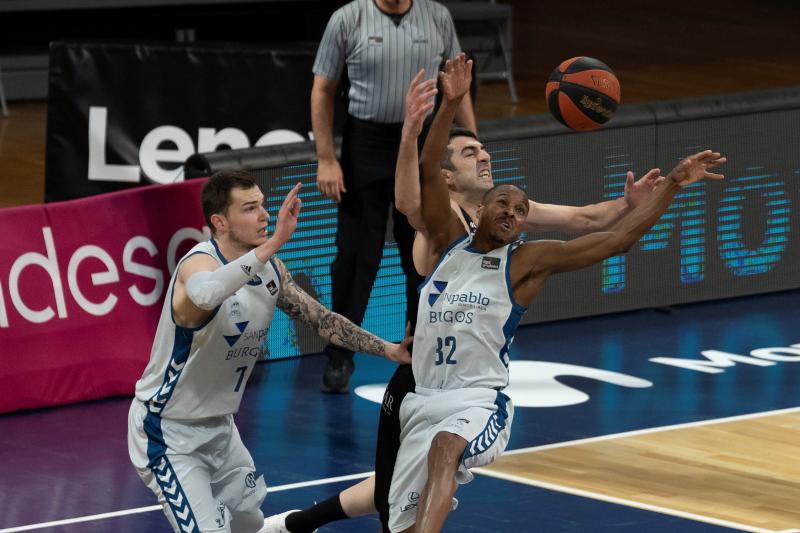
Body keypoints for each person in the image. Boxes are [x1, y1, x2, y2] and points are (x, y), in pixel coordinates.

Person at [263, 66, 667, 532]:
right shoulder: (445, 223)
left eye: (484, 148)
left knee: (416, 480)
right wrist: (416, 129)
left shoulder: (503, 213)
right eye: (471, 152)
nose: (485, 156)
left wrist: (632, 204)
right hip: (417, 379)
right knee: (392, 495)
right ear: (450, 178)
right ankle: (295, 524)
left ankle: (295, 525)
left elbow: (582, 221)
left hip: (464, 388)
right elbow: (408, 194)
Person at [386, 54, 725, 533]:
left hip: (477, 401)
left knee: (446, 452)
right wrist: (452, 102)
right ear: (480, 210)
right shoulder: (445, 241)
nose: (512, 212)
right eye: (503, 202)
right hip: (422, 398)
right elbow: (426, 167)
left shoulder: (528, 260)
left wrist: (672, 184)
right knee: (397, 521)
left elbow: (615, 240)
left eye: (522, 210)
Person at [126, 170, 411, 533]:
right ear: (219, 221)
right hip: (168, 433)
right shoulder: (198, 263)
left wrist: (387, 350)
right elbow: (206, 294)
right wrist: (273, 243)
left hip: (220, 428)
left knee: (251, 522)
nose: (264, 215)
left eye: (263, 204)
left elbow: (321, 320)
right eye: (249, 208)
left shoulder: (271, 270)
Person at [311, 0, 476, 393]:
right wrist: (325, 157)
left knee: (422, 253)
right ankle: (340, 355)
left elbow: (458, 86)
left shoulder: (437, 16)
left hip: (423, 142)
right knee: (355, 258)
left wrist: (470, 139)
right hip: (365, 143)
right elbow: (322, 90)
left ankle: (421, 351)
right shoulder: (347, 18)